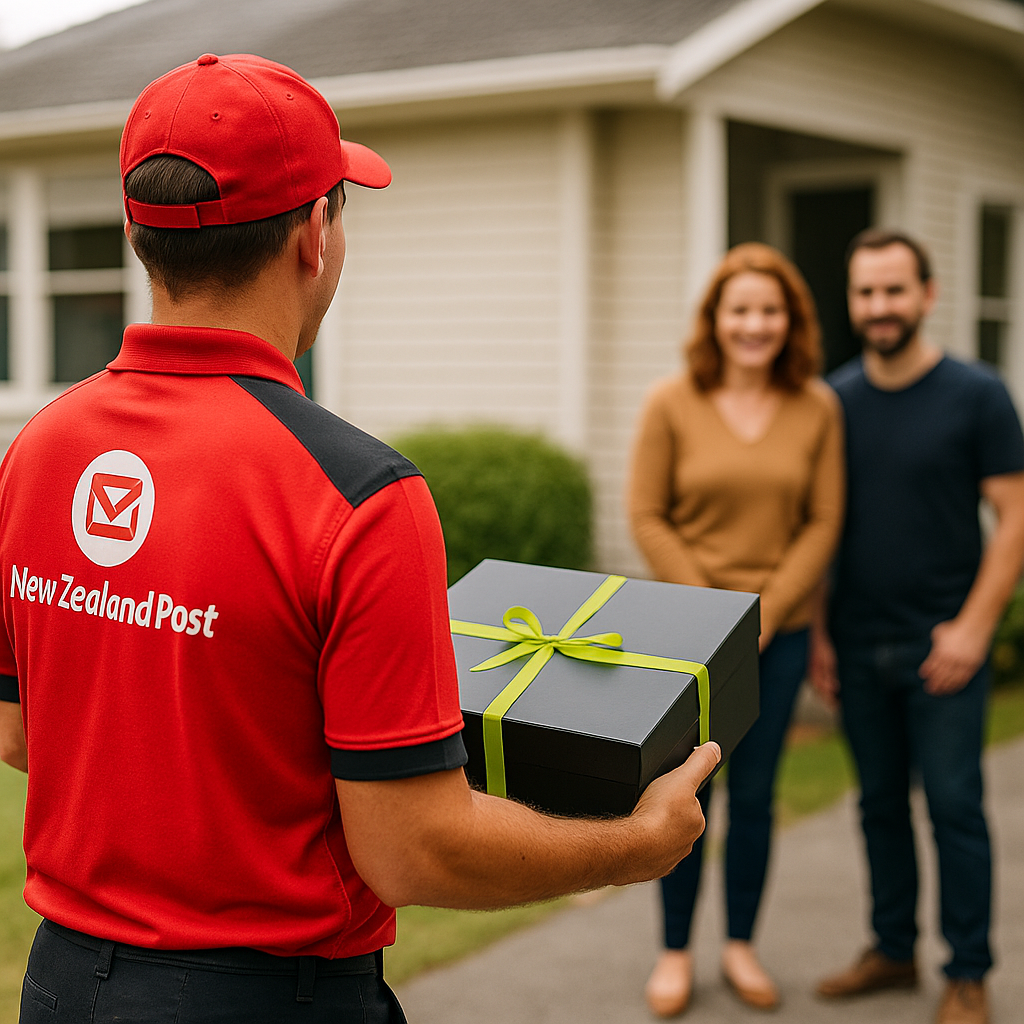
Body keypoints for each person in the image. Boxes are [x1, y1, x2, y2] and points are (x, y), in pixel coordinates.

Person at [0, 54, 723, 1024]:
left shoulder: (38, 448)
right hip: (264, 1002)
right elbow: (412, 850)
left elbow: (19, 733)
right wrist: (635, 846)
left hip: (59, 985)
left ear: (139, 236)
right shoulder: (358, 493)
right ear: (315, 235)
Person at [811, 229, 1024, 1024]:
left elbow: (1015, 517)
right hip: (856, 643)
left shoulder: (978, 394)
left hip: (944, 648)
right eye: (866, 292)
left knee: (955, 807)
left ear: (928, 295)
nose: (880, 307)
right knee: (878, 806)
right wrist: (821, 636)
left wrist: (973, 628)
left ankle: (968, 972)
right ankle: (893, 950)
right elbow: (822, 527)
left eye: (895, 290)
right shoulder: (832, 402)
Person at [628, 242, 845, 1016]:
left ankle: (741, 947)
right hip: (686, 637)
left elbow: (823, 521)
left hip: (774, 639)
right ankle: (675, 952)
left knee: (754, 796)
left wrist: (766, 614)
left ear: (791, 321)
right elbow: (647, 514)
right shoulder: (670, 401)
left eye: (770, 310)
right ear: (715, 319)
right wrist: (715, 616)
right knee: (683, 795)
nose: (755, 324)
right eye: (741, 309)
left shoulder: (818, 407)